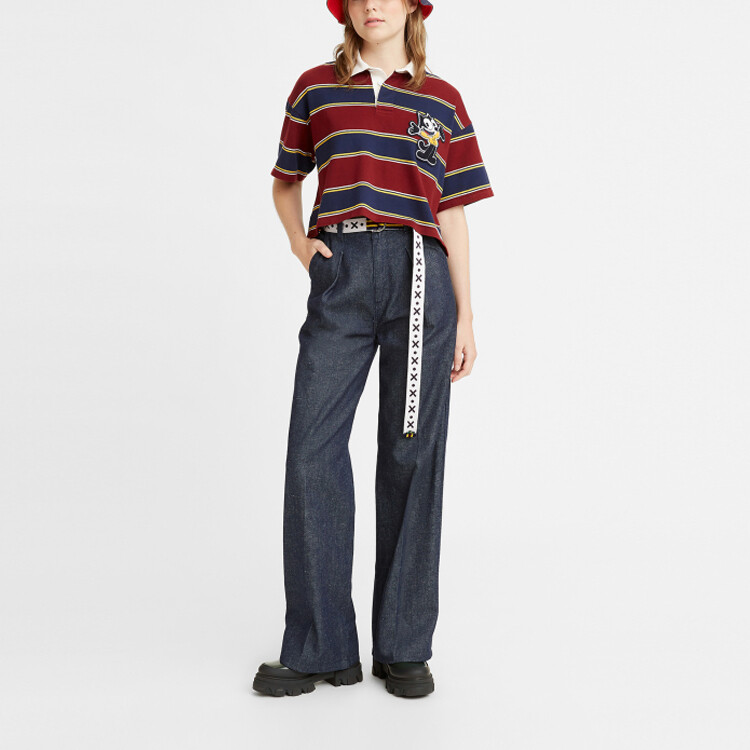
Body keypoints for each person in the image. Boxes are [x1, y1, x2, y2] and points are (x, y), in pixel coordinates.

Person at [252, 0, 494, 698]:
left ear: (413, 6)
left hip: (422, 277)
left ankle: (404, 646)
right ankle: (321, 645)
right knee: (312, 448)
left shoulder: (441, 99)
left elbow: (452, 209)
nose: (372, 5)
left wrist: (467, 314)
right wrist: (302, 246)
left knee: (411, 452)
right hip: (342, 271)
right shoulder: (315, 88)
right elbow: (285, 181)